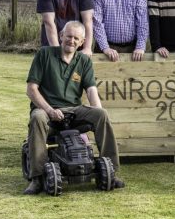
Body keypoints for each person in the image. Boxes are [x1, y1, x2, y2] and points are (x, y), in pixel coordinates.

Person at [23, 21, 124, 195]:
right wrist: (49, 110)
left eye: (76, 38)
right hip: (47, 110)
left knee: (101, 114)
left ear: (82, 41)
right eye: (68, 36)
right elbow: (31, 90)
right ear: (61, 36)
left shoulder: (84, 61)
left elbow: (91, 90)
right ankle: (37, 178)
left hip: (73, 110)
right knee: (37, 117)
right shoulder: (45, 54)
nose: (71, 41)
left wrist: (97, 112)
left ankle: (111, 171)